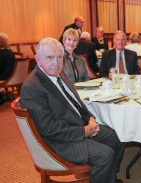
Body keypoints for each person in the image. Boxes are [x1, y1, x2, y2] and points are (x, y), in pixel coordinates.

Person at [20, 38, 124, 183]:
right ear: (38, 59)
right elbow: (48, 129)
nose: (56, 63)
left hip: (75, 124)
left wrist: (90, 118)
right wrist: (84, 131)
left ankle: (108, 177)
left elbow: (76, 102)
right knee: (105, 155)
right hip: (59, 140)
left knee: (117, 138)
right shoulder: (32, 87)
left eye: (59, 57)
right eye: (49, 58)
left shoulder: (58, 73)